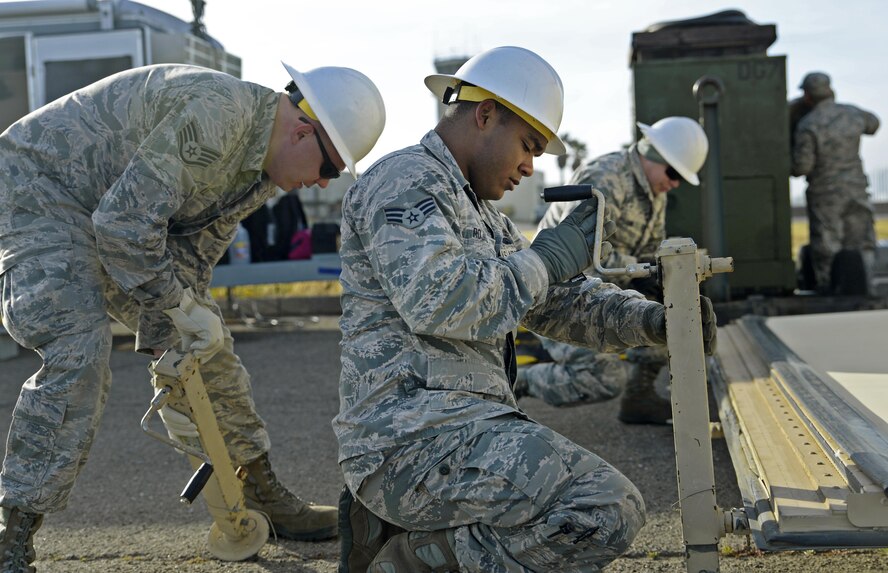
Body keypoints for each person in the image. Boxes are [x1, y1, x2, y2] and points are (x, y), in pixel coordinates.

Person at [333, 46, 716, 572]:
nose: (530, 167)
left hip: (461, 428)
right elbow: (439, 300)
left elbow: (553, 301)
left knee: (599, 507)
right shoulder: (405, 181)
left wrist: (652, 321)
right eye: (528, 145)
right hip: (409, 439)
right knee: (603, 507)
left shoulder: (480, 212)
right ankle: (409, 560)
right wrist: (543, 259)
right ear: (486, 114)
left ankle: (412, 536)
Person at [0, 61, 385, 571]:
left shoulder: (260, 170)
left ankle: (257, 488)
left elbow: (190, 257)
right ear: (301, 130)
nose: (320, 184)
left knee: (207, 341)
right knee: (80, 349)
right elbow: (123, 225)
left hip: (106, 215)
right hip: (36, 195)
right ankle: (13, 530)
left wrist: (176, 333)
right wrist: (173, 309)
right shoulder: (217, 116)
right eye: (330, 169)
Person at [515, 117, 709, 425]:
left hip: (608, 293)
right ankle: (519, 381)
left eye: (680, 180)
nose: (674, 184)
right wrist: (643, 271)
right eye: (673, 173)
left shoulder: (654, 194)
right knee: (602, 377)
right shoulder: (604, 179)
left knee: (670, 323)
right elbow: (584, 258)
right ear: (651, 153)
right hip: (561, 295)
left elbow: (647, 254)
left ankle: (639, 397)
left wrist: (669, 284)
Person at [791, 71, 880, 295]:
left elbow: (802, 167)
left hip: (825, 194)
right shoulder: (852, 114)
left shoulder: (808, 124)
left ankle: (829, 290)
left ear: (808, 97)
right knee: (861, 241)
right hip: (856, 189)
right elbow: (874, 124)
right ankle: (866, 286)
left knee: (827, 246)